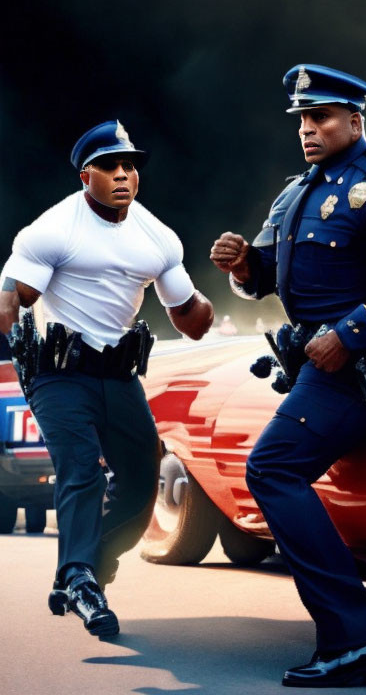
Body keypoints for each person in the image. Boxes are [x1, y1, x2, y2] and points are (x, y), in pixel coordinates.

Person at [210, 64, 366, 688]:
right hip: (316, 369)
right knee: (275, 471)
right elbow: (264, 280)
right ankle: (351, 639)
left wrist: (352, 333)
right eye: (303, 120)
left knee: (272, 469)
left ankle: (352, 642)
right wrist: (241, 264)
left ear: (355, 121)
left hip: (358, 371)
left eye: (322, 118)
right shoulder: (295, 194)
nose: (309, 130)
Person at [0, 120, 214, 638]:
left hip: (118, 377)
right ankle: (78, 577)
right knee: (81, 470)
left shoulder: (157, 237)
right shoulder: (52, 230)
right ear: (85, 175)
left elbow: (192, 321)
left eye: (131, 165)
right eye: (110, 166)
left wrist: (224, 284)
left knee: (143, 481)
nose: (123, 175)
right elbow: (10, 301)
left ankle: (84, 571)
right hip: (57, 375)